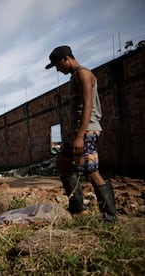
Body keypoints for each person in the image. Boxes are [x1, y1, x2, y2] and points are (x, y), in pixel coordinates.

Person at [45, 45, 116, 223]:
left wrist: (79, 136)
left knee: (91, 171)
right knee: (63, 165)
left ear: (65, 59)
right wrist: (73, 133)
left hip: (87, 130)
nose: (58, 69)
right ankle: (77, 209)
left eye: (57, 65)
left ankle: (110, 217)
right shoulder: (74, 77)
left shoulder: (84, 74)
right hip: (77, 131)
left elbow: (88, 105)